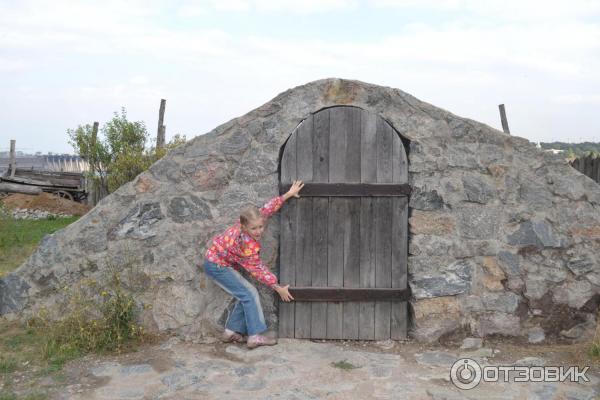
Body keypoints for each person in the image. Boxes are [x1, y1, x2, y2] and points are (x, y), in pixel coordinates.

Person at [202, 180, 304, 349]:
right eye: (254, 229)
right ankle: (254, 336)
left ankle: (230, 332)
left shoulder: (247, 221)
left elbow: (267, 209)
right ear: (243, 226)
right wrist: (277, 286)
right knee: (250, 294)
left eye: (260, 227)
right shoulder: (245, 245)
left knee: (245, 295)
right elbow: (257, 269)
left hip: (216, 262)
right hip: (217, 266)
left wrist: (288, 194)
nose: (258, 231)